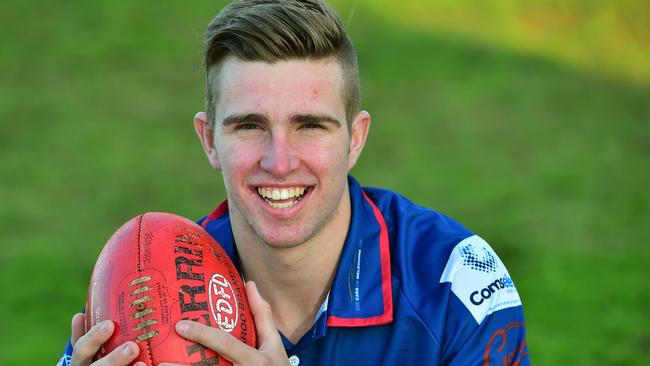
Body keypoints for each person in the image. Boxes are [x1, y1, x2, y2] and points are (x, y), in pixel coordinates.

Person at [59, 0, 529, 365]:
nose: (279, 162)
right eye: (249, 126)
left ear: (355, 139)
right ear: (208, 140)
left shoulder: (455, 282)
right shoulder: (147, 285)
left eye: (310, 125)